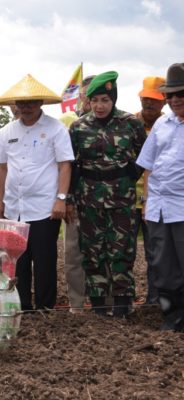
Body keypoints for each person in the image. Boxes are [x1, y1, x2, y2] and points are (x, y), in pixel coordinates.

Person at [69, 71, 146, 318]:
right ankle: (100, 307)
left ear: (113, 99)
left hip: (121, 198)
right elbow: (71, 164)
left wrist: (126, 177)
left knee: (122, 250)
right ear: (88, 102)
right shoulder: (78, 127)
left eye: (105, 100)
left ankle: (123, 306)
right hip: (89, 197)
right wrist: (71, 196)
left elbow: (145, 156)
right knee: (93, 250)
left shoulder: (130, 123)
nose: (100, 106)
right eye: (95, 101)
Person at [0, 74, 74, 311]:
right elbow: (2, 168)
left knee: (44, 261)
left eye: (31, 103)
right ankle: (21, 307)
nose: (26, 108)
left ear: (40, 103)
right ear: (15, 105)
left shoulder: (55, 129)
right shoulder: (6, 131)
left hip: (44, 208)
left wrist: (61, 199)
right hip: (14, 208)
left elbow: (65, 165)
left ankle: (45, 308)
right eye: (21, 103)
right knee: (16, 261)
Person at [136, 63, 184, 331]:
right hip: (158, 207)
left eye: (181, 94)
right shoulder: (161, 125)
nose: (175, 99)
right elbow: (149, 166)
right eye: (171, 95)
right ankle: (172, 318)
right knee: (163, 267)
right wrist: (146, 201)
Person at [58, 75, 95, 314]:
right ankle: (76, 305)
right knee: (74, 254)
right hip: (76, 201)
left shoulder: (122, 124)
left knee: (105, 254)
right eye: (87, 96)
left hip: (107, 202)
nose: (90, 101)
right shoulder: (71, 125)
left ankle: (107, 304)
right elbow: (65, 166)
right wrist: (67, 199)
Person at [133, 76, 166, 305]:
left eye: (154, 100)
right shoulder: (128, 124)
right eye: (146, 98)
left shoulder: (168, 126)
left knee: (156, 253)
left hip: (155, 200)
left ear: (164, 101)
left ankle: (155, 299)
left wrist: (148, 200)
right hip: (125, 199)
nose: (149, 104)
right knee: (124, 252)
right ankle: (124, 300)